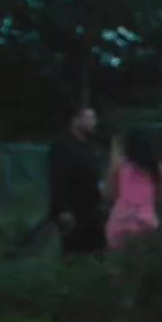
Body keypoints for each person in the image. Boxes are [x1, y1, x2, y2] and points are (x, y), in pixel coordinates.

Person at [48, 104, 106, 259]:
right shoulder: (62, 145)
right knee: (74, 254)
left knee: (97, 251)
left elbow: (94, 174)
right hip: (73, 209)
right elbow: (57, 178)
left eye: (94, 118)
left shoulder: (89, 146)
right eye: (90, 118)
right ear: (76, 121)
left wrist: (101, 188)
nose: (94, 122)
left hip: (91, 208)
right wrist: (63, 209)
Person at [105, 128, 162, 249]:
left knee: (118, 259)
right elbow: (161, 198)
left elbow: (109, 195)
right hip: (147, 222)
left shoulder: (118, 166)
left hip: (120, 221)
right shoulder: (160, 169)